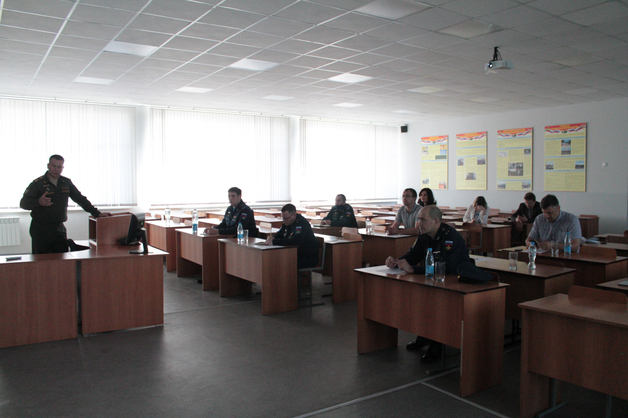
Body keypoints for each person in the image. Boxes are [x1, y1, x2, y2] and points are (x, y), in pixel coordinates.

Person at [385, 205, 471, 363]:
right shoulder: (424, 235)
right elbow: (413, 254)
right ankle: (424, 336)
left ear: (436, 221)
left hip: (455, 282)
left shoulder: (450, 237)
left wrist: (414, 269)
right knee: (420, 300)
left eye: (423, 220)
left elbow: (446, 267)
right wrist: (397, 262)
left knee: (435, 303)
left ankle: (437, 344)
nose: (419, 223)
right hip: (434, 279)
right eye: (418, 219)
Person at [20, 154, 111, 254]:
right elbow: (23, 203)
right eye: (54, 166)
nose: (56, 169)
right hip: (41, 228)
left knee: (62, 258)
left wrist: (97, 213)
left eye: (59, 167)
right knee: (41, 260)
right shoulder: (38, 183)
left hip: (59, 228)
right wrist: (38, 202)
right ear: (48, 166)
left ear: (62, 168)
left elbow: (80, 199)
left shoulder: (66, 182)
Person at [266, 204, 318, 269]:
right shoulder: (287, 222)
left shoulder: (302, 223)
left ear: (294, 215)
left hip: (307, 257)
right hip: (294, 254)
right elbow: (280, 233)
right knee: (275, 259)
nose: (284, 220)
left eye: (286, 218)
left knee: (283, 262)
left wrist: (274, 242)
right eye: (282, 218)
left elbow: (295, 241)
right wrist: (273, 238)